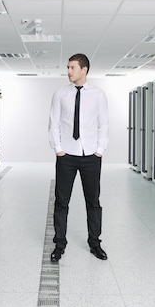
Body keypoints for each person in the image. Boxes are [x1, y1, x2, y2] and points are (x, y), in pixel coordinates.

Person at [48, 53, 109, 262]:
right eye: (67, 67)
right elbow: (53, 122)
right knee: (61, 201)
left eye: (72, 67)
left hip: (91, 155)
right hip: (66, 155)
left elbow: (104, 124)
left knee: (93, 201)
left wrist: (99, 150)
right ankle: (59, 244)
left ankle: (95, 243)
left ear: (84, 69)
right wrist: (58, 149)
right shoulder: (60, 94)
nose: (68, 71)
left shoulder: (98, 95)